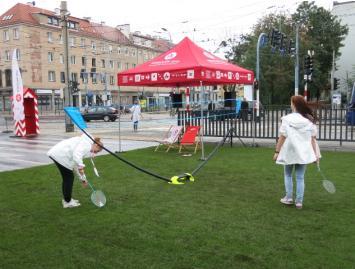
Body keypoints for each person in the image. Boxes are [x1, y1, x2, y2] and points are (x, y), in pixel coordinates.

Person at [273, 95, 320, 209]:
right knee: (300, 177)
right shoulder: (309, 121)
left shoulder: (287, 119)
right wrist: (316, 155)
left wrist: (277, 151)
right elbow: (313, 140)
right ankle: (299, 202)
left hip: (289, 151)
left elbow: (282, 137)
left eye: (291, 102)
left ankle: (289, 198)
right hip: (303, 153)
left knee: (288, 174)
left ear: (294, 104)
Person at [47, 134, 103, 208]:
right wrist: (81, 166)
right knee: (69, 178)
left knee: (67, 177)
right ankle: (67, 202)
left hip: (59, 155)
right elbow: (77, 156)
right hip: (60, 155)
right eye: (96, 151)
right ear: (96, 145)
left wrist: (83, 179)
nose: (95, 153)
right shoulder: (87, 145)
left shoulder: (86, 143)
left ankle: (67, 200)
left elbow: (76, 163)